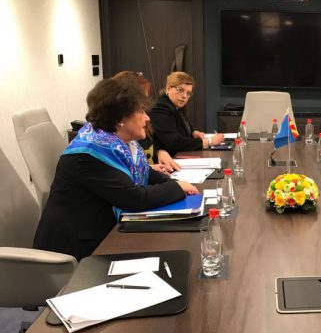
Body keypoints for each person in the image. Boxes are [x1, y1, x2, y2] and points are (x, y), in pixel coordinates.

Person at [34, 78, 199, 260]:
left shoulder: (120, 143)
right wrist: (176, 188)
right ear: (120, 118)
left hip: (103, 231)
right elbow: (134, 198)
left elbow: (145, 171)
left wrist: (175, 183)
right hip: (78, 247)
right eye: (141, 111)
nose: (147, 118)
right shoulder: (89, 153)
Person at [112, 71, 180, 173]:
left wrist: (160, 152)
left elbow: (153, 143)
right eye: (141, 100)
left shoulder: (143, 121)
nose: (145, 104)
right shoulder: (113, 141)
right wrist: (149, 169)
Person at [149, 71, 224, 154]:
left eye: (188, 93)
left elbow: (183, 128)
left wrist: (193, 133)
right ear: (168, 88)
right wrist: (208, 142)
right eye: (180, 90)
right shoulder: (160, 109)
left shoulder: (175, 105)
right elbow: (174, 142)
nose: (184, 96)